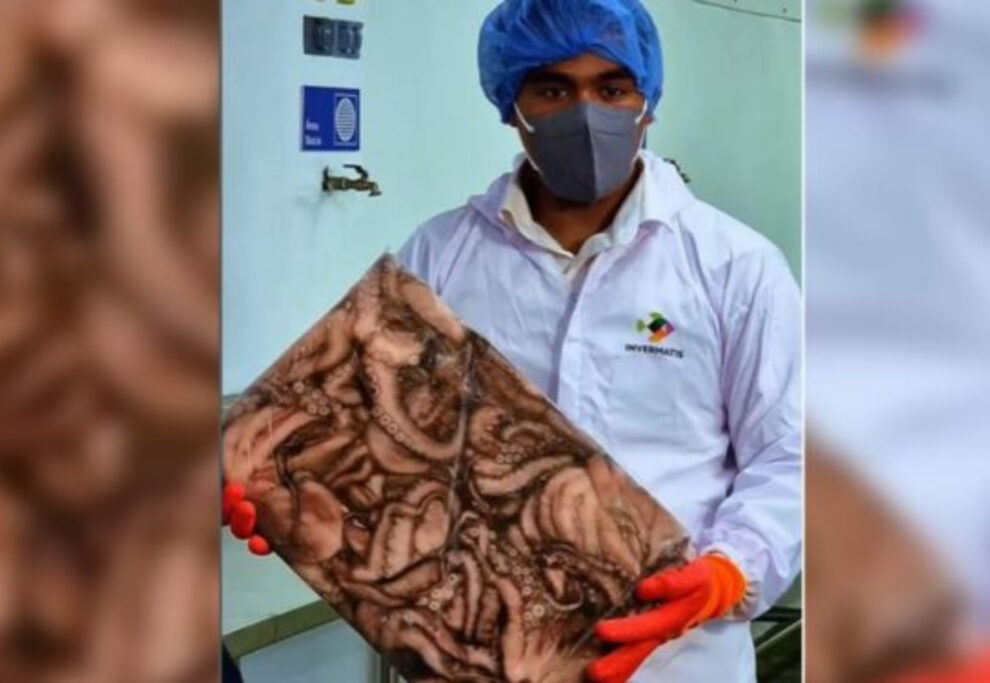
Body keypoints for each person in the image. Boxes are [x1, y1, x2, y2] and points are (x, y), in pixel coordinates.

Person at [224, 1, 801, 680]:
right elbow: (379, 439)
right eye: (553, 90)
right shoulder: (441, 257)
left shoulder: (733, 267)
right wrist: (288, 488)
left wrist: (731, 569)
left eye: (613, 89)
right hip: (476, 653)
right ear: (510, 105)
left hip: (677, 660)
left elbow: (790, 455)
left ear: (647, 103)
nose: (587, 113)